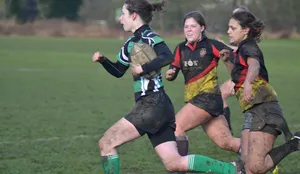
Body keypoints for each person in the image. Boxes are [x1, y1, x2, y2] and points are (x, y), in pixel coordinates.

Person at [93, 1, 240, 173]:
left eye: (123, 14)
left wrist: (143, 68)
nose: (120, 19)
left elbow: (167, 56)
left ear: (134, 15)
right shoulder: (129, 44)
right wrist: (103, 60)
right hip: (160, 107)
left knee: (106, 143)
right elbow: (118, 70)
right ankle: (232, 170)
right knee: (174, 163)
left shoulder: (150, 37)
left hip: (151, 104)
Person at [223, 10, 299, 174]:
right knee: (244, 163)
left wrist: (249, 84)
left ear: (245, 30)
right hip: (252, 110)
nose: (228, 31)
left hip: (264, 109)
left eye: (232, 28)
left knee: (255, 167)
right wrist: (228, 62)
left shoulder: (248, 47)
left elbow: (254, 66)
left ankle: (295, 143)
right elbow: (239, 79)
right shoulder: (241, 49)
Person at [165, 11, 241, 174]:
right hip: (198, 101)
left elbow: (236, 59)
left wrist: (227, 58)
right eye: (186, 26)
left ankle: (180, 169)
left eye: (193, 26)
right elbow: (173, 69)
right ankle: (261, 156)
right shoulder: (180, 49)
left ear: (202, 28)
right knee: (226, 142)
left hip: (208, 98)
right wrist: (170, 74)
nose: (189, 30)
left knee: (176, 127)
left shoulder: (211, 45)